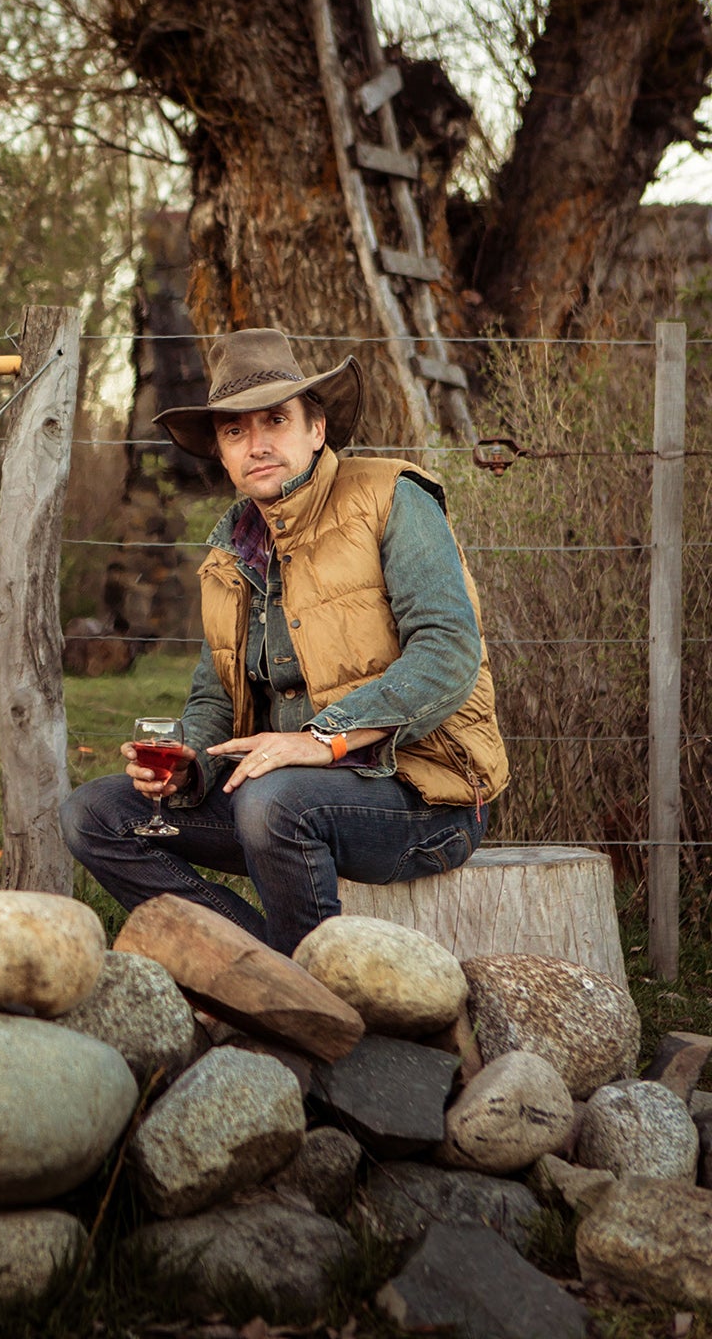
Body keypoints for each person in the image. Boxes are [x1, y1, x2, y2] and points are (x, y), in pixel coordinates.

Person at [60, 327, 508, 954]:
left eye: (275, 421)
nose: (258, 444)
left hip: (424, 797)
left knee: (272, 801)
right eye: (235, 431)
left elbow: (448, 651)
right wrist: (188, 762)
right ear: (220, 452)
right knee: (94, 813)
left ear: (316, 429)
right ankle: (260, 968)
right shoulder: (229, 553)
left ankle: (308, 1004)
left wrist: (323, 740)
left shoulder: (392, 496)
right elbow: (214, 698)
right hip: (276, 801)